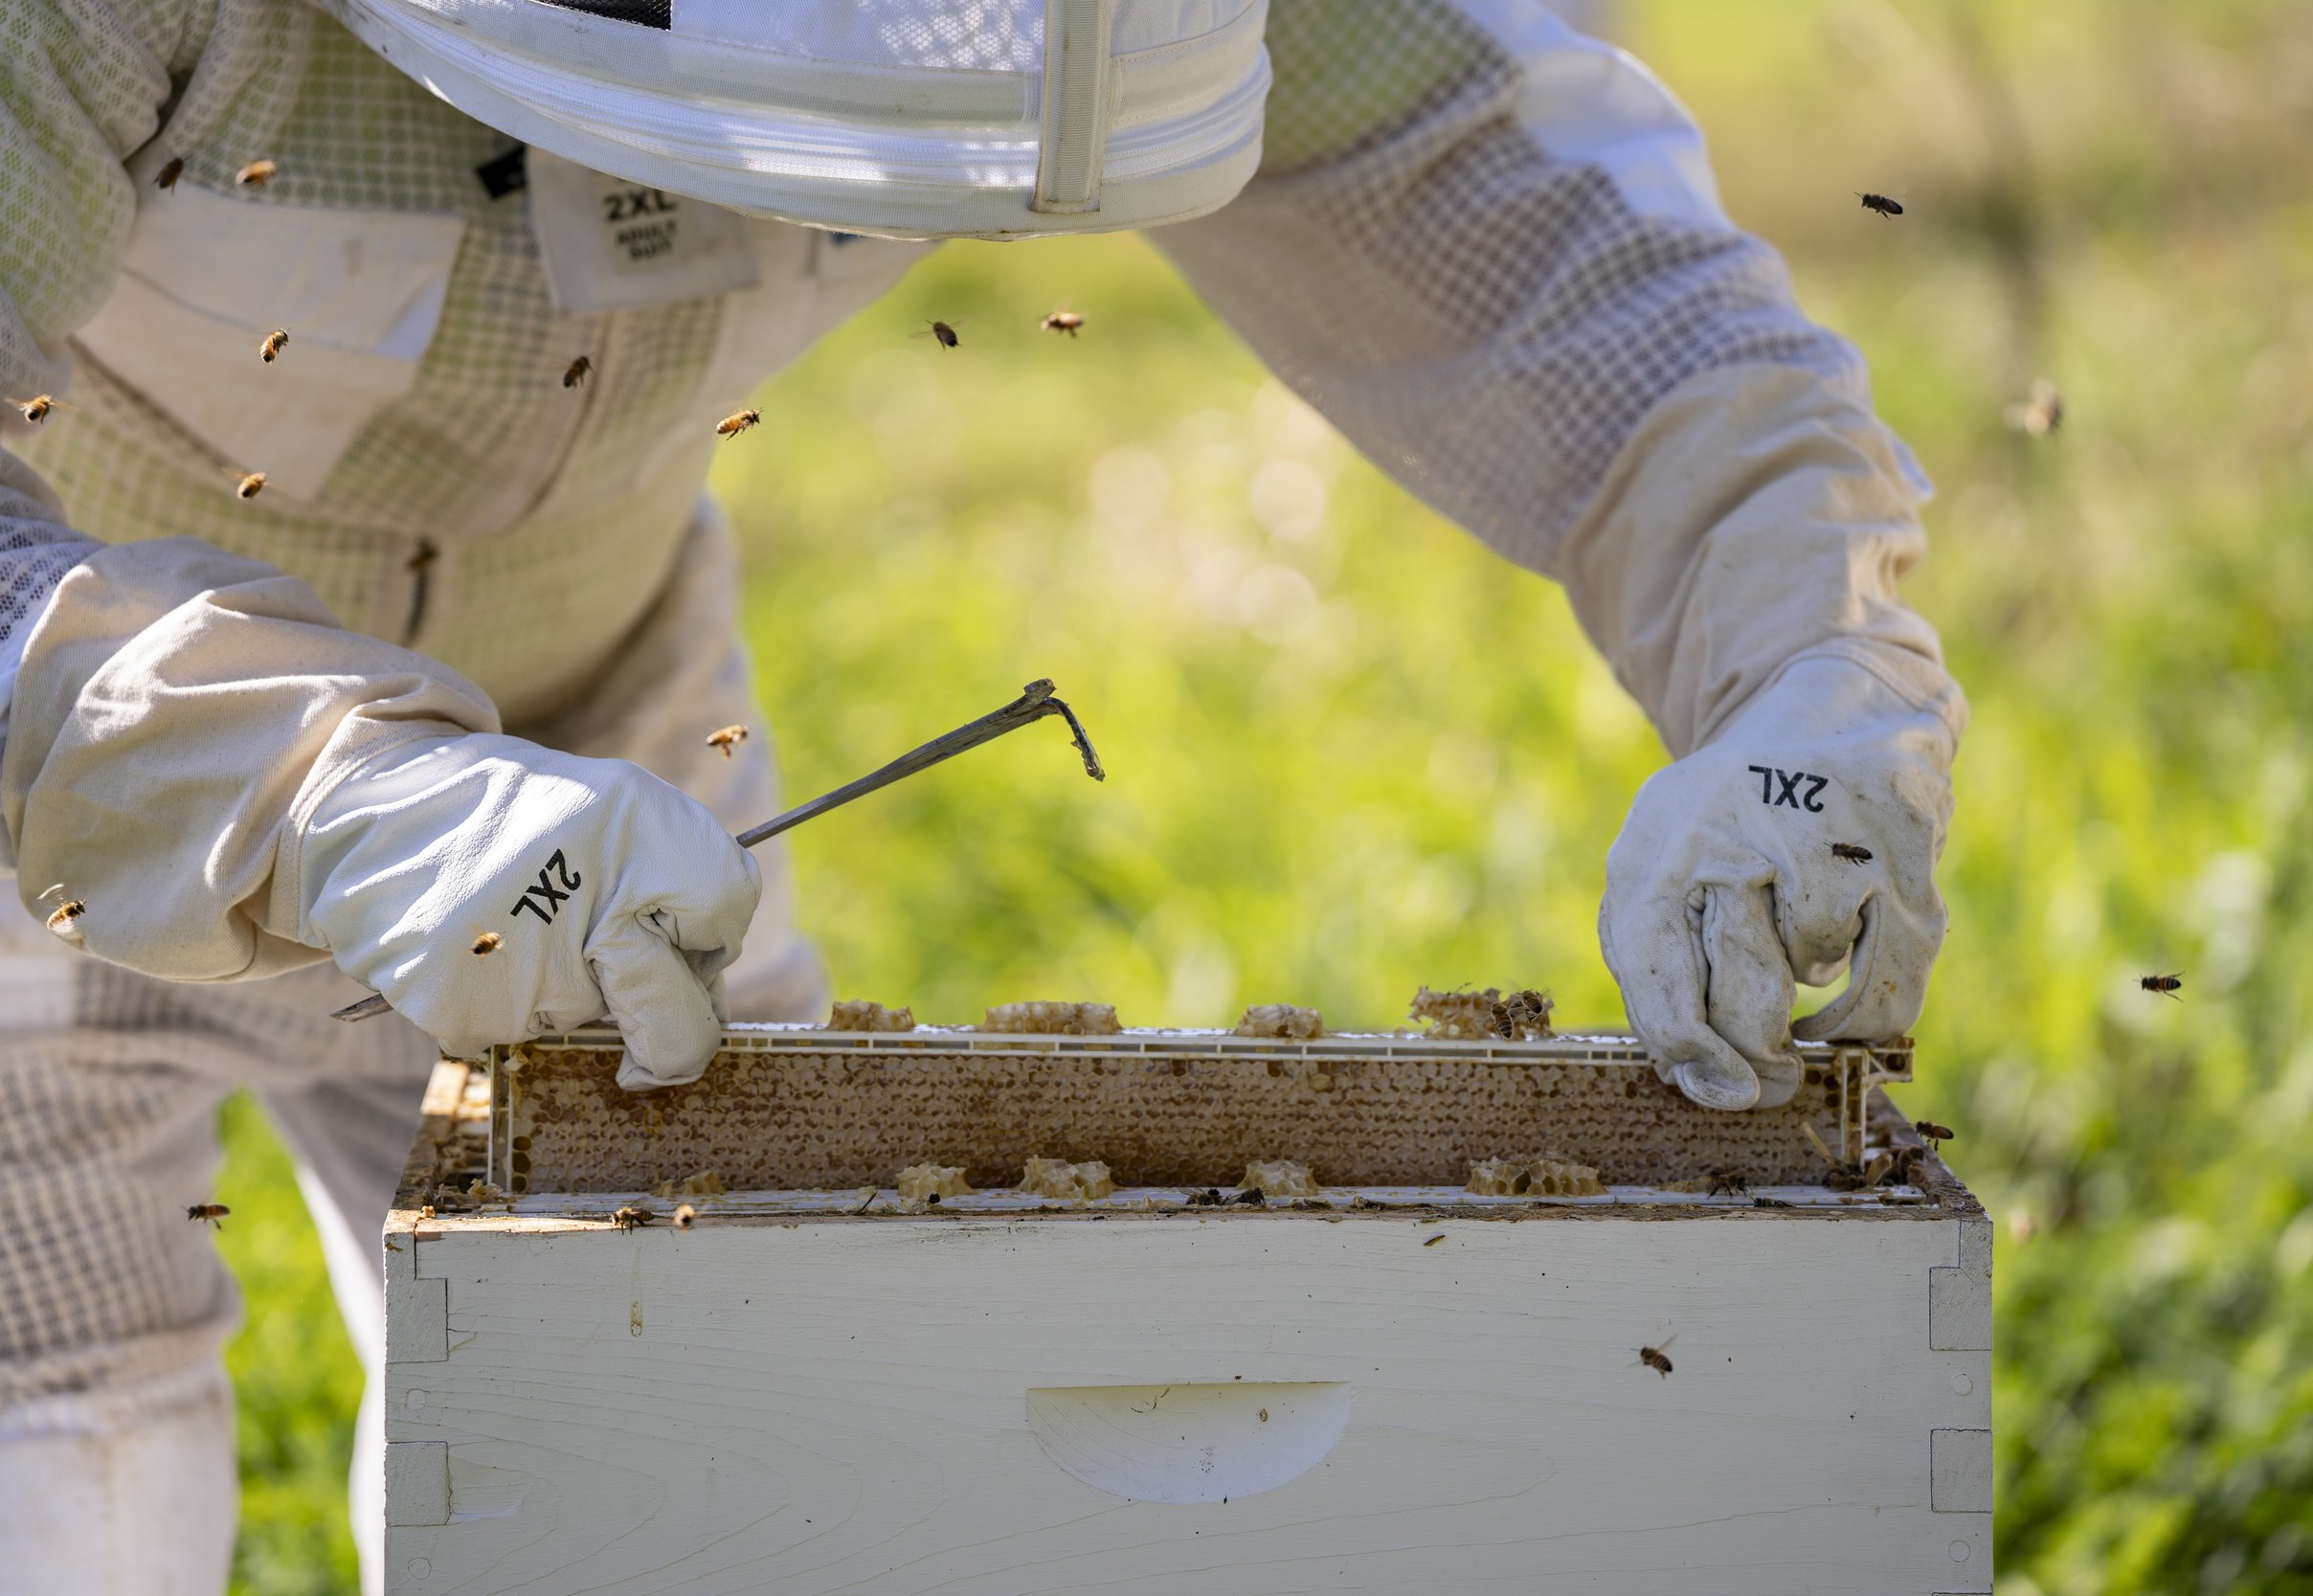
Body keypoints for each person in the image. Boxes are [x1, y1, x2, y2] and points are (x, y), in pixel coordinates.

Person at [0, 0, 1965, 1588]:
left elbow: (1551, 251)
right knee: (64, 1481)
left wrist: (1807, 665)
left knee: (712, 1469)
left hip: (620, 777)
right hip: (48, 787)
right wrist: (331, 798)